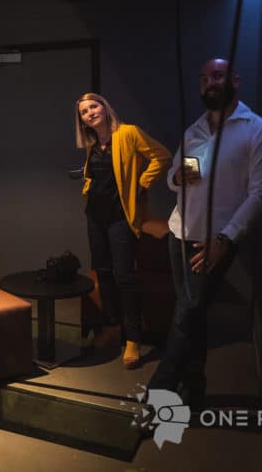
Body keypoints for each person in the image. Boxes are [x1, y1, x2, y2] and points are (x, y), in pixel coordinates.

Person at [145, 58, 262, 410]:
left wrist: (225, 240)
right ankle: (194, 386)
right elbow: (173, 176)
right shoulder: (194, 130)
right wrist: (176, 178)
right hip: (178, 232)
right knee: (193, 315)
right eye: (203, 79)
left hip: (212, 242)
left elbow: (260, 194)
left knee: (185, 316)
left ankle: (157, 397)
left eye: (216, 76)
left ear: (235, 81)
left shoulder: (258, 130)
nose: (209, 83)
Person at [76, 93, 171, 369]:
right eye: (84, 112)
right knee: (103, 272)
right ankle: (111, 327)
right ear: (82, 121)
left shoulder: (128, 133)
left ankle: (133, 338)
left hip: (121, 218)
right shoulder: (93, 144)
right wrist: (87, 187)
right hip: (95, 217)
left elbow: (162, 156)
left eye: (94, 106)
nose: (90, 113)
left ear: (105, 108)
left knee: (124, 276)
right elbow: (94, 176)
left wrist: (142, 184)